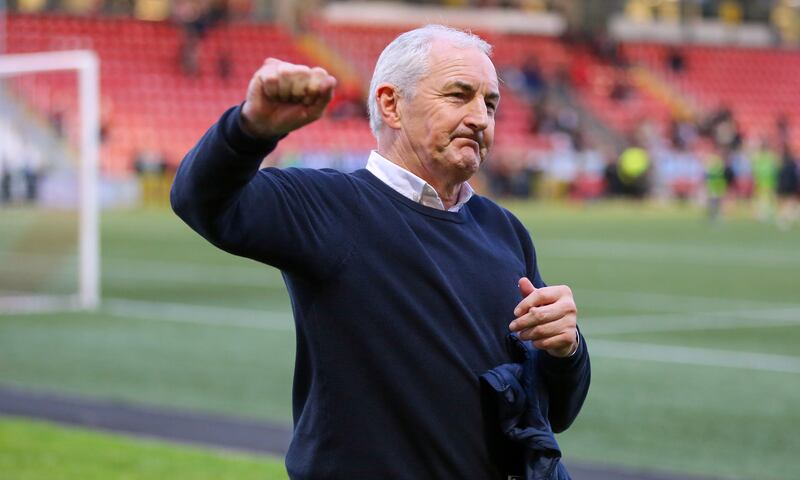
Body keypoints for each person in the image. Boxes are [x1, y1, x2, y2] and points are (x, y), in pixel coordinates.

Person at [171, 25, 590, 479]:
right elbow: (199, 200)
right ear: (391, 104)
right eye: (458, 95)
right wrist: (247, 129)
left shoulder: (504, 229)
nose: (479, 118)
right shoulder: (331, 206)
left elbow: (553, 413)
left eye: (489, 103)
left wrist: (566, 351)